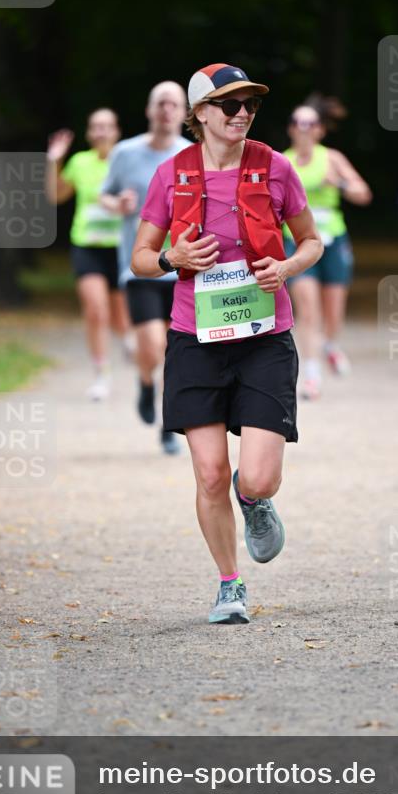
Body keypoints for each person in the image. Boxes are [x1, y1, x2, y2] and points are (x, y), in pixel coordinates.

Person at [132, 63, 323, 624]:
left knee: (256, 476)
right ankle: (229, 585)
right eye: (230, 104)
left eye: (250, 106)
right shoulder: (171, 175)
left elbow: (312, 242)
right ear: (200, 115)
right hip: (196, 338)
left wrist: (285, 265)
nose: (242, 113)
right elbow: (141, 259)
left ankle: (255, 500)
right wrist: (172, 259)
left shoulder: (276, 166)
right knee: (210, 472)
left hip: (265, 337)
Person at [101, 82, 190, 455]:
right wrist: (117, 203)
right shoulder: (125, 152)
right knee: (152, 344)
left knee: (176, 349)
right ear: (150, 110)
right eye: (161, 103)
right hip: (139, 266)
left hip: (184, 268)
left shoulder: (192, 155)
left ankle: (170, 425)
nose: (167, 110)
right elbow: (105, 195)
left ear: (185, 113)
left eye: (174, 104)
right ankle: (145, 382)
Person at [283, 102, 372, 400]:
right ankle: (311, 375)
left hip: (332, 239)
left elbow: (364, 194)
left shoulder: (332, 159)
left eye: (309, 123)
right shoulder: (283, 162)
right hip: (296, 243)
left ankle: (330, 344)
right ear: (291, 129)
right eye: (298, 122)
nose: (303, 129)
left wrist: (343, 184)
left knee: (333, 313)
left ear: (320, 130)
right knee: (308, 311)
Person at [46, 108, 134, 401]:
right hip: (86, 246)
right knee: (96, 310)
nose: (101, 132)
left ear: (116, 131)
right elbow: (56, 195)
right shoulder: (79, 162)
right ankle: (101, 374)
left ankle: (129, 346)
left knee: (121, 319)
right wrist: (53, 160)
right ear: (88, 133)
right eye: (95, 127)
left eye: (106, 126)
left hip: (120, 248)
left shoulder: (127, 161)